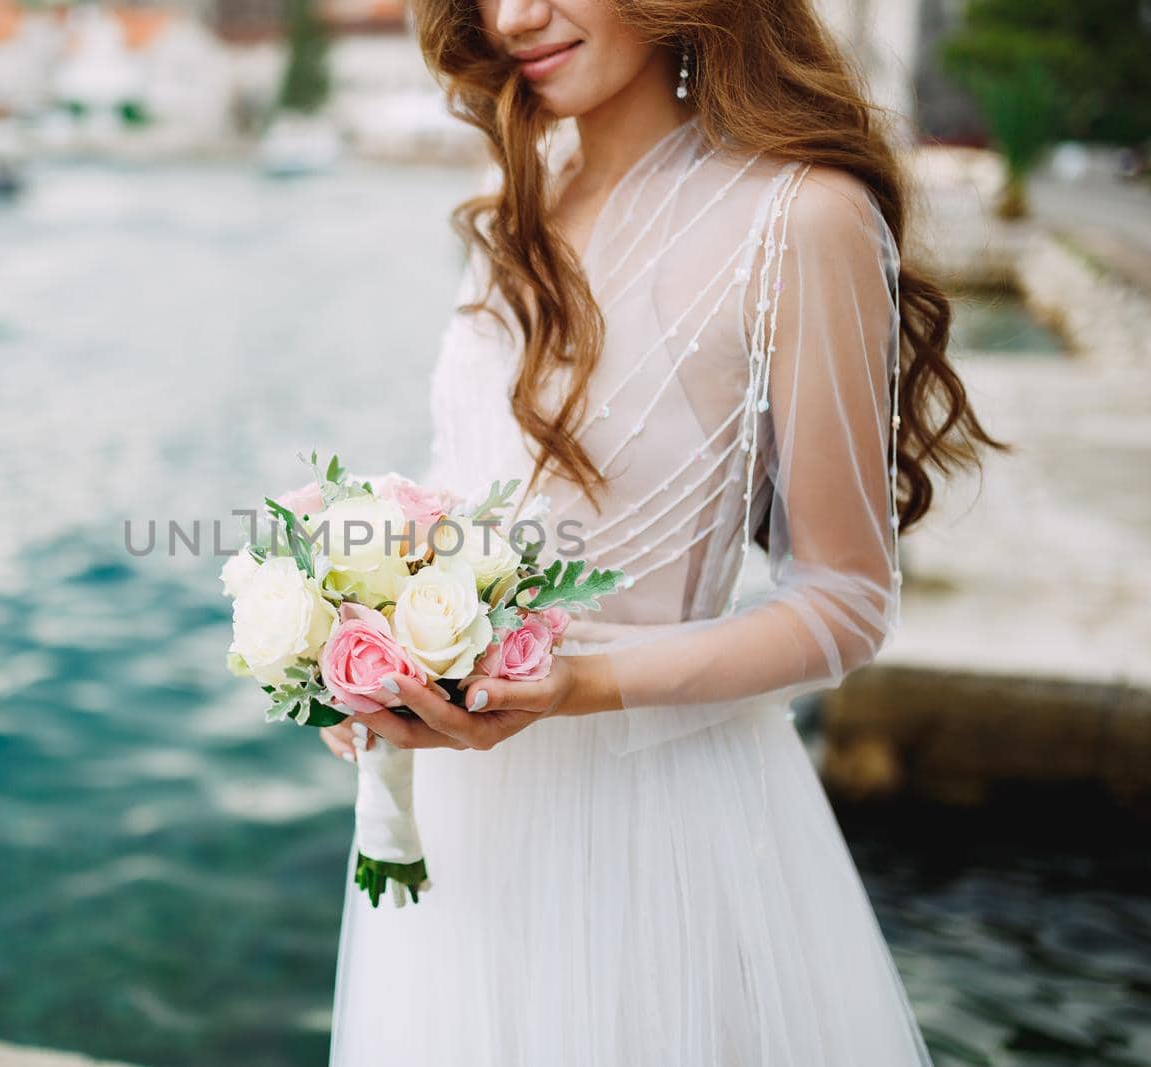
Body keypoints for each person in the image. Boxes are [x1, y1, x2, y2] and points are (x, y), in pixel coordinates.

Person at [317, 0, 1006, 1063]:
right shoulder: (512, 206)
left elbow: (846, 600)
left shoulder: (800, 218)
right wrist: (368, 653)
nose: (514, 17)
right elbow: (474, 493)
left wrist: (580, 683)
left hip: (658, 836)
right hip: (465, 831)